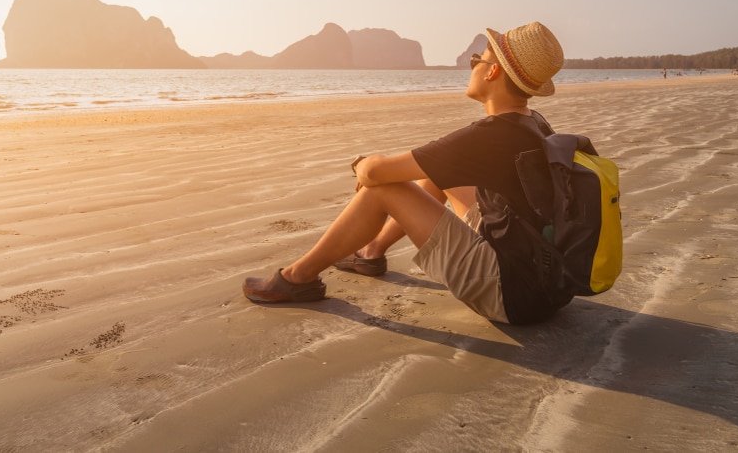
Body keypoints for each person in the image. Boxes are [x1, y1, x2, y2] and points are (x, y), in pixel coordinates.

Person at [242, 21, 574, 324]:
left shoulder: (492, 135)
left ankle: (298, 278)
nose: (472, 66)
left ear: (492, 73)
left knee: (383, 188)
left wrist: (362, 164)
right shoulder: (535, 124)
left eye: (478, 59)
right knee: (436, 176)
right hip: (546, 286)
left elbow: (375, 174)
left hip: (510, 295)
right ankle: (370, 252)